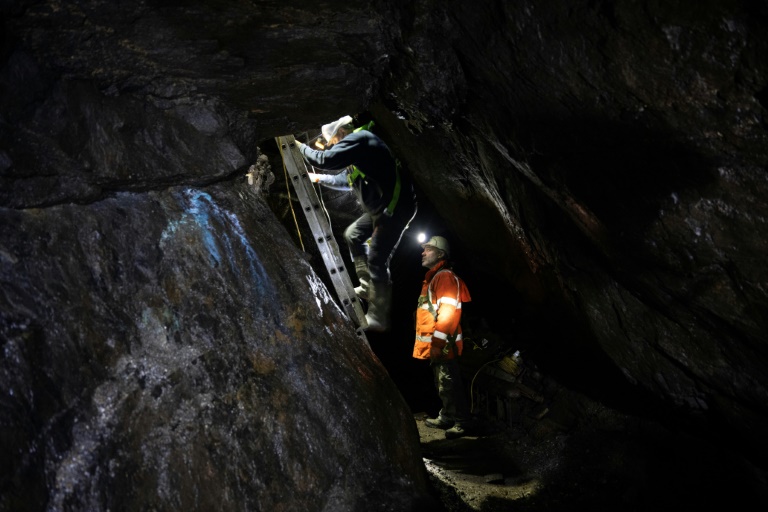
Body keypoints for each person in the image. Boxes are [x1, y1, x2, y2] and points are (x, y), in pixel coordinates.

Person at [295, 115, 417, 332]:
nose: (333, 146)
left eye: (333, 141)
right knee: (353, 234)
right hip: (381, 209)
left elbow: (324, 160)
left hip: (395, 206)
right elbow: (344, 180)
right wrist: (319, 179)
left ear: (341, 132)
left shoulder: (361, 139)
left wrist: (299, 147)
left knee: (377, 257)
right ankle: (367, 286)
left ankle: (378, 316)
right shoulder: (358, 156)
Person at [413, 235, 473, 439]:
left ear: (440, 254)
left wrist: (438, 343)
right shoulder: (434, 278)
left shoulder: (445, 277)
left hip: (445, 344)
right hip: (437, 344)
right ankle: (447, 416)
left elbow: (448, 314)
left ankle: (462, 422)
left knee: (449, 382)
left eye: (428, 249)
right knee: (442, 383)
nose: (423, 252)